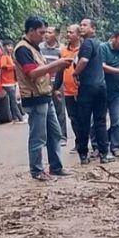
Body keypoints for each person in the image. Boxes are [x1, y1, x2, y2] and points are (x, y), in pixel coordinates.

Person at [13, 16, 73, 181]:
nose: (44, 36)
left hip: (45, 95)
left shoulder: (34, 48)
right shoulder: (22, 49)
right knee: (38, 136)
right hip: (34, 98)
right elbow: (32, 73)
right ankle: (37, 170)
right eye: (41, 32)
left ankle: (56, 167)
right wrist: (57, 64)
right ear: (31, 31)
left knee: (55, 133)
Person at [73, 18, 113, 164]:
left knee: (83, 121)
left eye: (85, 25)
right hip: (101, 87)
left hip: (88, 87)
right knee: (100, 121)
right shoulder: (98, 44)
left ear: (93, 29)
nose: (81, 27)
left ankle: (83, 154)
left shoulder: (87, 43)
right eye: (81, 24)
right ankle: (103, 153)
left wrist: (75, 73)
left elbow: (83, 61)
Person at [39, 26, 68, 141]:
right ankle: (48, 137)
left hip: (58, 82)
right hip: (44, 82)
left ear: (56, 35)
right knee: (45, 110)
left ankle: (62, 136)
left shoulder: (62, 49)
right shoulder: (40, 48)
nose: (46, 34)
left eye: (49, 32)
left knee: (59, 109)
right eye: (45, 32)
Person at [60, 24, 82, 152]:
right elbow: (60, 70)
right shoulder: (63, 51)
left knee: (83, 117)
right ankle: (78, 142)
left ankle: (83, 143)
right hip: (68, 91)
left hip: (81, 90)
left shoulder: (84, 49)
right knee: (73, 118)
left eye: (71, 32)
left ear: (78, 35)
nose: (68, 35)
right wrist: (57, 88)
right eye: (67, 32)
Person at [0, 42, 26, 123]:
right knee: (14, 100)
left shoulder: (11, 56)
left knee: (14, 100)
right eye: (8, 46)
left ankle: (15, 118)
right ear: (4, 47)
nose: (10, 48)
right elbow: (3, 66)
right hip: (7, 82)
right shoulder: (4, 56)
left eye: (11, 46)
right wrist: (13, 66)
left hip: (12, 81)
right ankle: (20, 117)